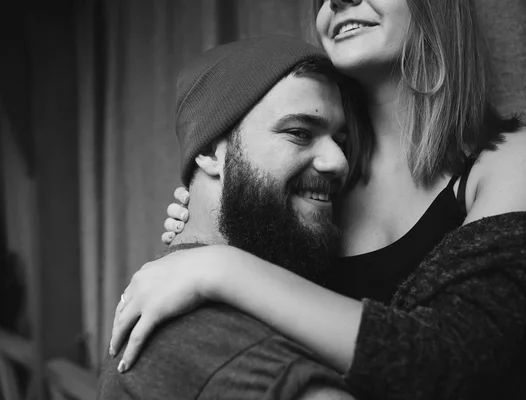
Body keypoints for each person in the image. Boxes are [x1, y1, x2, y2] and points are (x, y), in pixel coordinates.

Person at [110, 1, 526, 399]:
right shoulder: (314, 185)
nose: (338, 0)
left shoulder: (517, 159)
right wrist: (211, 222)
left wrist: (217, 267)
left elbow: (453, 359)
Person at [99, 35, 370, 400]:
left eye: (341, 142)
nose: (339, 162)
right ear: (210, 150)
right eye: (299, 133)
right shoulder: (204, 339)